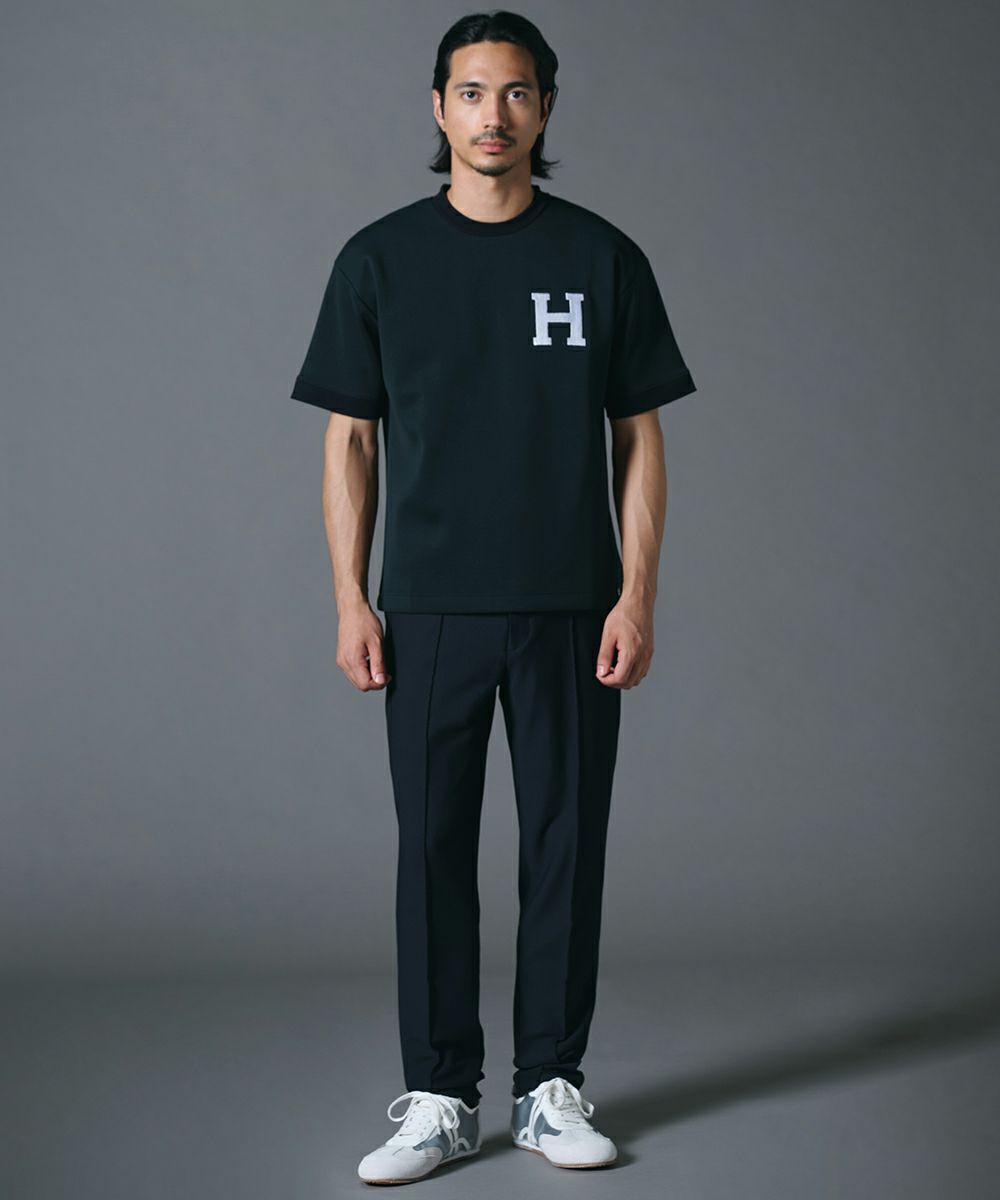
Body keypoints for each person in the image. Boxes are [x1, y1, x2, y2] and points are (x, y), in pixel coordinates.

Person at [290, 10, 697, 1186]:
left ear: (546, 107)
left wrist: (636, 593)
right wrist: (350, 599)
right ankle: (437, 1097)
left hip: (571, 606)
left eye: (516, 92)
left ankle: (548, 1088)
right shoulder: (378, 261)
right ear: (438, 107)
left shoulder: (601, 258)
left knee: (565, 846)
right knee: (432, 851)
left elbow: (639, 437)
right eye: (470, 92)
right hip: (426, 607)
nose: (492, 114)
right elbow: (350, 442)